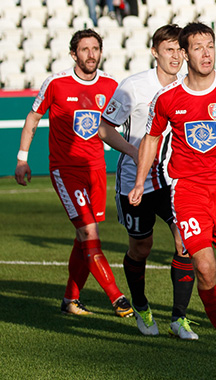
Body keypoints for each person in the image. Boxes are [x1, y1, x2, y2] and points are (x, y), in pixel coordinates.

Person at [129, 22, 216, 361]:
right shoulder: (168, 98)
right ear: (186, 53)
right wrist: (138, 181)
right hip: (188, 191)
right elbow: (150, 139)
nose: (206, 53)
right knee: (204, 267)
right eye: (198, 47)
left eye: (210, 46)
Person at [15, 29, 133, 318]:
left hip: (97, 171)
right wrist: (22, 158)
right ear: (73, 54)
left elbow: (118, 124)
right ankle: (117, 298)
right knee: (89, 233)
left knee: (84, 237)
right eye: (84, 49)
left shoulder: (111, 85)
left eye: (95, 48)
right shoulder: (56, 83)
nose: (91, 54)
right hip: (66, 170)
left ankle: (71, 299)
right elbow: (33, 117)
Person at [96, 25, 198, 339]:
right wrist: (136, 151)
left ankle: (179, 319)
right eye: (169, 50)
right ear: (154, 52)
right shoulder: (133, 87)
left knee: (186, 245)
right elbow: (104, 128)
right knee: (141, 248)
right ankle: (141, 305)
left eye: (180, 50)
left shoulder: (189, 85)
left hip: (174, 180)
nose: (176, 57)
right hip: (134, 181)